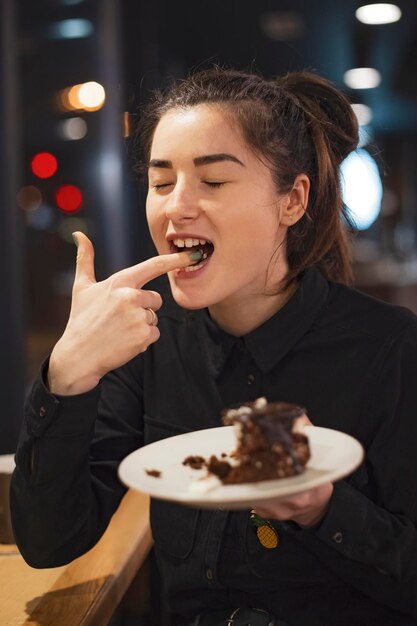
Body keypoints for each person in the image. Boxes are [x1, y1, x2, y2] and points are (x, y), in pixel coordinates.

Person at [10, 65, 417, 626]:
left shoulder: (391, 349)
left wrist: (323, 509)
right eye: (160, 183)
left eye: (214, 182)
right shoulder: (150, 342)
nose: (177, 206)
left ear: (292, 200)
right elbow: (51, 543)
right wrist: (66, 374)